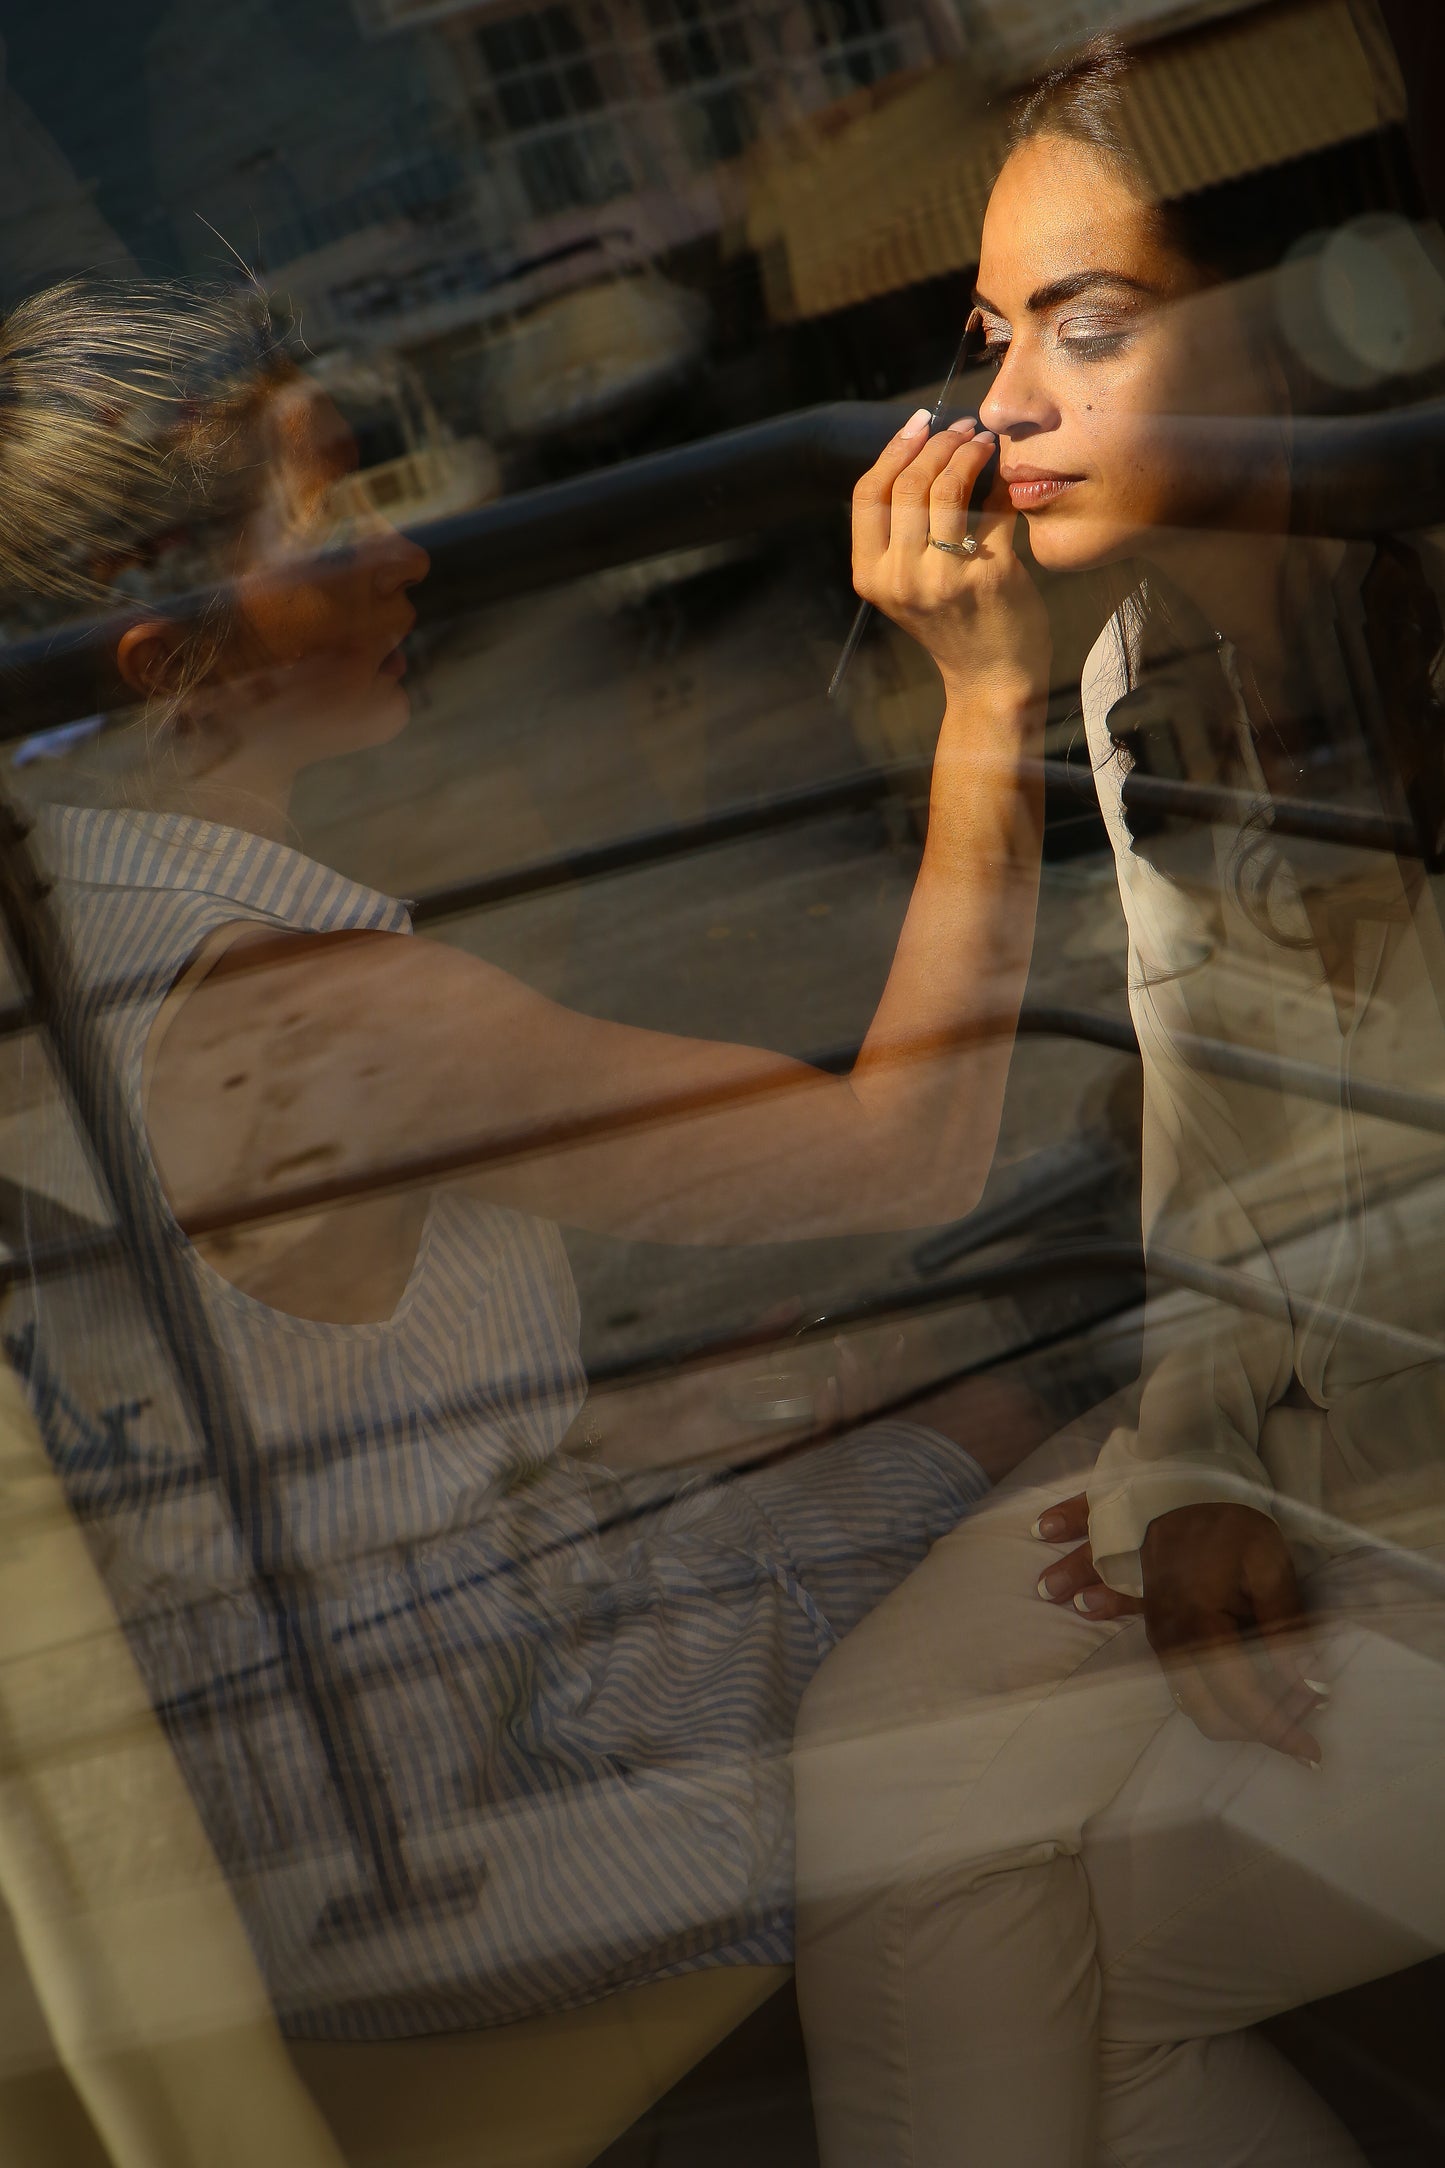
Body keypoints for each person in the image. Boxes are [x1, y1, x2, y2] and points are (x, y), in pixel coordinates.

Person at [0, 277, 1049, 2037]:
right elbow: (908, 1152)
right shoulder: (322, 1011)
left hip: (243, 1799)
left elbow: (274, 1417)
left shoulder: (54, 925)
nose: (406, 554)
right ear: (166, 655)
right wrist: (988, 696)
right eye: (330, 516)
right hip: (470, 1799)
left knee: (869, 1383)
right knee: (1014, 1409)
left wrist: (652, 1417)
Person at [794, 38, 1445, 2168]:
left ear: (1314, 316)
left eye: (1090, 327)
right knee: (880, 1757)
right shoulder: (1132, 672)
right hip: (1317, 1437)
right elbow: (1218, 1161)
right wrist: (1195, 1477)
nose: (1001, 408)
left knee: (1033, 1953)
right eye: (994, 336)